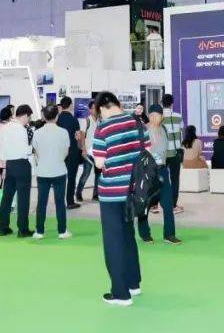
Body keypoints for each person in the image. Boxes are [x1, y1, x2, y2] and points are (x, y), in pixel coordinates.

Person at [92, 91, 149, 305]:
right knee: (128, 236)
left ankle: (120, 293)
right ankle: (134, 284)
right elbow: (147, 150)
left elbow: (99, 163)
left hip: (112, 192)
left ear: (102, 108)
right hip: (134, 190)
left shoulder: (103, 128)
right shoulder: (137, 122)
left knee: (113, 241)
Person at [138, 104, 180, 244]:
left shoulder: (164, 129)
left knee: (168, 204)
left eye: (159, 115)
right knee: (145, 204)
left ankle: (169, 234)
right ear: (150, 116)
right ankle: (144, 233)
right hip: (147, 171)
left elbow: (166, 151)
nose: (157, 118)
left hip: (162, 170)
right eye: (154, 115)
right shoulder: (143, 130)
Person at [31, 104, 71, 239]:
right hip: (59, 170)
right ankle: (62, 231)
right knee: (60, 202)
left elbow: (36, 152)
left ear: (44, 116)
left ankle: (39, 231)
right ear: (57, 116)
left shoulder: (37, 133)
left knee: (41, 202)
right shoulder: (63, 132)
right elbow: (66, 152)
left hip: (42, 171)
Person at [0, 104, 34, 237]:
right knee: (23, 198)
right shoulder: (21, 129)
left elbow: (2, 149)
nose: (29, 121)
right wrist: (32, 147)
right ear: (25, 115)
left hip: (9, 165)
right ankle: (23, 229)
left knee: (6, 198)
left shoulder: (4, 128)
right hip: (22, 164)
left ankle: (3, 227)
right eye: (29, 118)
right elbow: (26, 150)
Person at [56, 96, 83, 209]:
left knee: (59, 178)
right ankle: (70, 201)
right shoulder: (73, 119)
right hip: (72, 152)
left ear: (61, 106)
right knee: (71, 177)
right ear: (71, 105)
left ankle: (59, 201)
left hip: (59, 152)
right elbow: (78, 136)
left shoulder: (57, 119)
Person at [161, 94, 184, 212]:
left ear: (162, 103)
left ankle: (162, 203)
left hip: (162, 154)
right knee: (175, 180)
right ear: (172, 103)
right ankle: (173, 205)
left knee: (162, 180)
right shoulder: (178, 116)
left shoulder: (158, 117)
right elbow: (181, 132)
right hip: (175, 152)